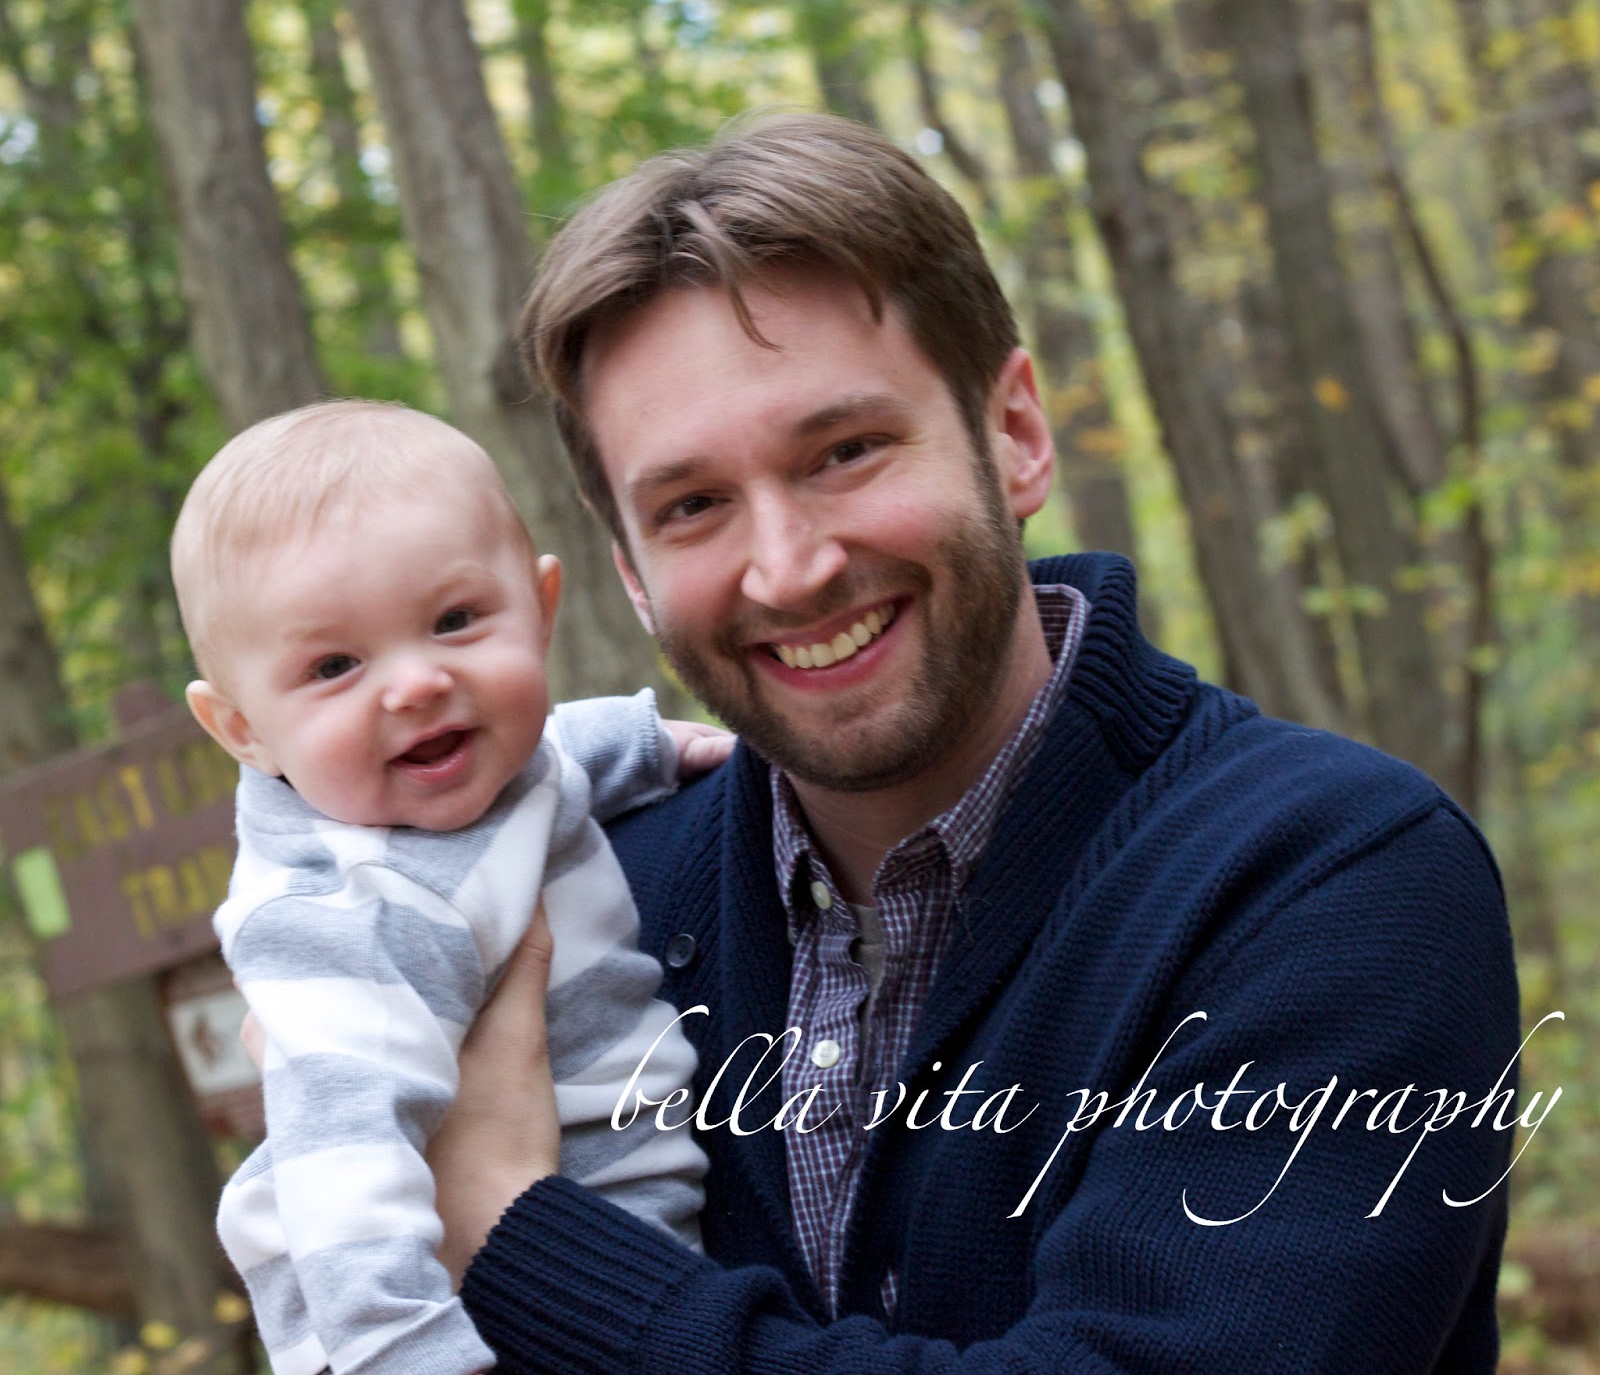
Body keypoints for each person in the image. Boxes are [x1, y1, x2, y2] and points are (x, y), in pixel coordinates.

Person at [435, 113, 1522, 1371]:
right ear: (630, 571)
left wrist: (518, 1240)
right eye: (693, 505)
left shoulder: (1336, 881)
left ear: (1014, 433)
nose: (788, 568)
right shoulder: (584, 901)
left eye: (845, 451)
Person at [170, 401, 724, 1375]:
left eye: (455, 621)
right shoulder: (353, 912)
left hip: (604, 1240)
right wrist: (412, 1348)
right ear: (242, 729)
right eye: (334, 665)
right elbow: (343, 1170)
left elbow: (550, 755)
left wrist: (653, 744)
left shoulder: (458, 786)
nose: (417, 682)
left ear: (540, 608)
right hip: (451, 1308)